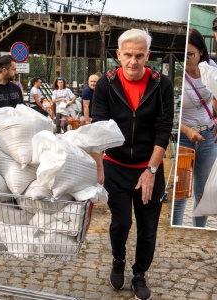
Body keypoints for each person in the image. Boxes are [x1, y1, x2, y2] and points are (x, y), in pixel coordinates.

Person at [91, 28, 174, 300]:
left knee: (148, 228)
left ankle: (139, 274)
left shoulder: (162, 84)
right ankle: (118, 260)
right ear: (119, 54)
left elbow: (164, 130)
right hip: (115, 165)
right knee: (121, 223)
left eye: (140, 55)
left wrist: (151, 170)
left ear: (148, 55)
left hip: (148, 167)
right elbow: (99, 126)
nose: (133, 61)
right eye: (128, 55)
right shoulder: (107, 83)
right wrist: (99, 166)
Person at [172, 28, 217, 227]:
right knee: (180, 193)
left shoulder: (212, 67)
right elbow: (169, 115)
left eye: (191, 54)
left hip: (208, 136)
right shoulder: (179, 76)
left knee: (203, 192)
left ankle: (198, 229)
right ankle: (177, 231)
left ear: (201, 52)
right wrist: (187, 131)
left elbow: (214, 98)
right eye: (184, 55)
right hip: (184, 138)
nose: (187, 59)